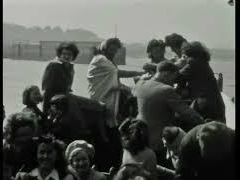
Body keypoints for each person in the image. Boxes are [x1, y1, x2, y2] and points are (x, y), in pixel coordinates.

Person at [87, 38, 144, 170]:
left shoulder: (107, 61)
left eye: (116, 50)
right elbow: (116, 74)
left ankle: (110, 164)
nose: (114, 52)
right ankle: (107, 165)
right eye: (111, 49)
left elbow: (114, 80)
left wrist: (127, 88)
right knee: (107, 133)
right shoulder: (100, 59)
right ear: (105, 48)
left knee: (111, 129)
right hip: (102, 100)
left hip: (108, 98)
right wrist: (139, 73)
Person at [132, 60, 204, 152]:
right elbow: (187, 113)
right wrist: (204, 123)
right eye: (173, 79)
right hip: (159, 141)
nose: (173, 83)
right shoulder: (166, 90)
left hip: (140, 136)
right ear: (166, 74)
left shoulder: (140, 84)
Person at [177, 42, 226, 122]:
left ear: (188, 52)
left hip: (204, 101)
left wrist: (178, 65)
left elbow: (177, 77)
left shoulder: (192, 62)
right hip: (215, 100)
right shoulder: (203, 62)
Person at [42, 42, 79, 115]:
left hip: (63, 99)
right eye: (64, 54)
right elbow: (46, 87)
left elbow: (68, 87)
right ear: (60, 55)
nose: (66, 56)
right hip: (51, 98)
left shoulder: (70, 67)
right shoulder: (53, 66)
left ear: (73, 56)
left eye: (69, 54)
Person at [3, 112, 38, 177]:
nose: (25, 146)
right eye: (20, 143)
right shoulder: (6, 152)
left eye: (28, 140)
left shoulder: (35, 148)